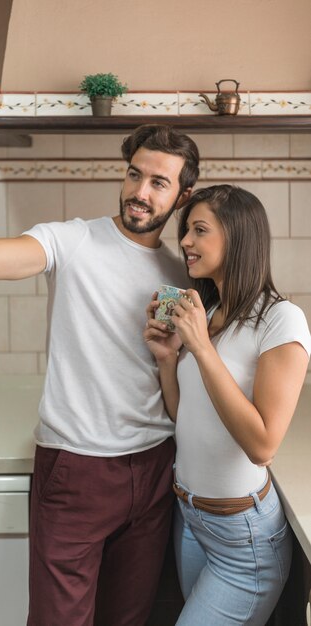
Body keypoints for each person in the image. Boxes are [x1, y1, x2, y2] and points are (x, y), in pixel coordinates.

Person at [0, 124, 200, 626]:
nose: (140, 193)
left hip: (154, 470)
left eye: (158, 183)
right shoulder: (72, 241)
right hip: (77, 470)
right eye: (133, 175)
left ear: (183, 195)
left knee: (129, 618)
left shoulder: (178, 273)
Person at [144, 184, 311, 626]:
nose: (184, 242)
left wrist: (200, 349)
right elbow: (187, 419)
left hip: (245, 541)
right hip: (192, 521)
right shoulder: (212, 310)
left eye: (199, 230)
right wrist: (167, 360)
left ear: (237, 238)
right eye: (187, 231)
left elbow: (262, 445)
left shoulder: (281, 320)